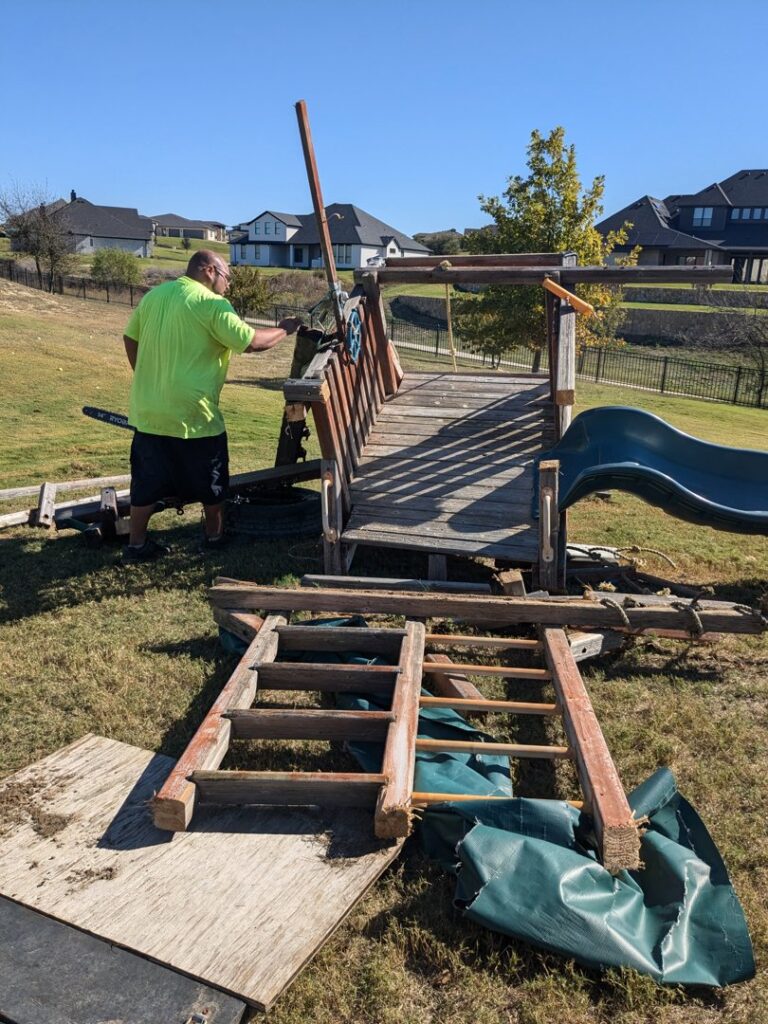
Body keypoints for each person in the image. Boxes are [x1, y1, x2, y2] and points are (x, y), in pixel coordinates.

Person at [121, 249, 303, 562]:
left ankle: (136, 546)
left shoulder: (154, 296)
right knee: (213, 483)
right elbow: (252, 342)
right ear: (209, 270)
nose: (228, 285)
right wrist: (286, 328)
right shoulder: (212, 305)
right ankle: (214, 538)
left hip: (149, 412)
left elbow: (130, 337)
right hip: (195, 416)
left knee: (145, 484)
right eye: (227, 277)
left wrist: (145, 375)